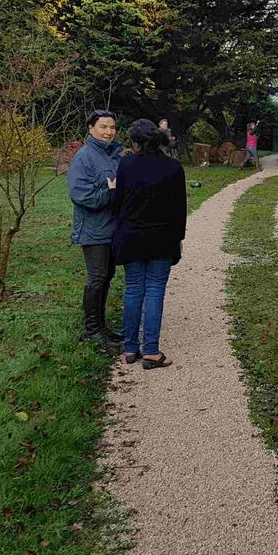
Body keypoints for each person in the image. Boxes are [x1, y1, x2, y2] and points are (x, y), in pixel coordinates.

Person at [112, 119, 187, 369]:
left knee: (133, 289)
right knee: (155, 290)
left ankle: (130, 348)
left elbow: (118, 202)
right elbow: (180, 210)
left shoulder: (125, 164)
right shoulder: (174, 167)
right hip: (162, 238)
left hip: (131, 235)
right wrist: (178, 240)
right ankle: (152, 350)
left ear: (135, 141)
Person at [68, 110, 123, 346]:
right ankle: (91, 329)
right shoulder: (84, 157)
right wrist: (110, 193)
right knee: (97, 277)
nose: (109, 132)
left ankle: (101, 327)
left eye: (112, 127)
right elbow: (80, 194)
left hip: (113, 227)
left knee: (107, 275)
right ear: (91, 129)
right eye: (103, 127)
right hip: (94, 228)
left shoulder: (114, 156)